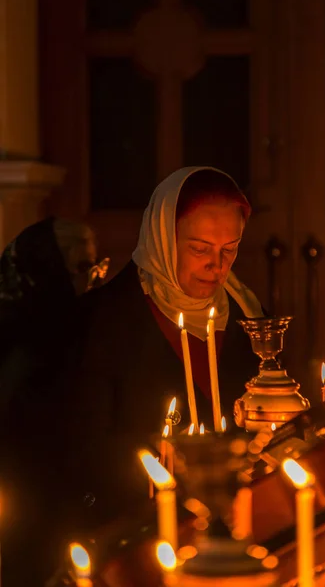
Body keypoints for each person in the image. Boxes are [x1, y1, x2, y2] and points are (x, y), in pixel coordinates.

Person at [64, 167, 264, 527]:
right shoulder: (101, 319)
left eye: (229, 249)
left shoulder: (247, 316)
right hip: (136, 524)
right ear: (161, 237)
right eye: (199, 248)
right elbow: (84, 447)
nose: (217, 266)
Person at [0, 216, 109, 587]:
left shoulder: (83, 324)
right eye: (81, 268)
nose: (94, 279)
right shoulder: (18, 334)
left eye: (97, 266)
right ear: (45, 269)